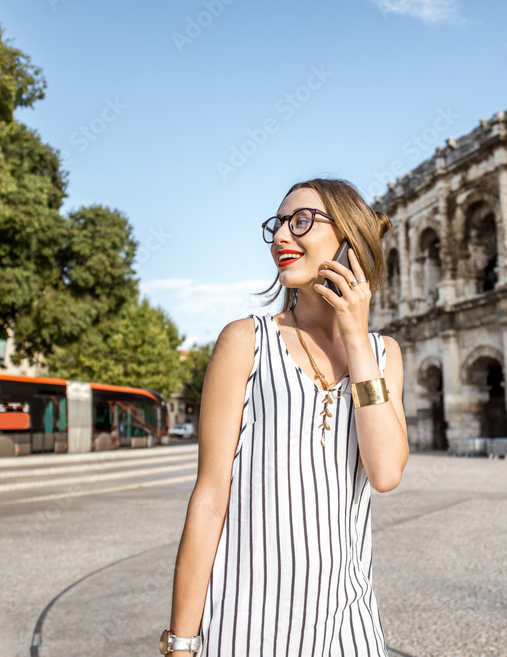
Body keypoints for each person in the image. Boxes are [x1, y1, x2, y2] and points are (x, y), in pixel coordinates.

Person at [161, 178, 409, 656]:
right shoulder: (245, 341)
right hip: (245, 622)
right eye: (277, 224)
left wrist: (356, 339)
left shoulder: (384, 353)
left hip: (348, 621)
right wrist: (181, 642)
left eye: (301, 222)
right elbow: (210, 499)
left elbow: (385, 472)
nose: (280, 237)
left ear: (349, 240)